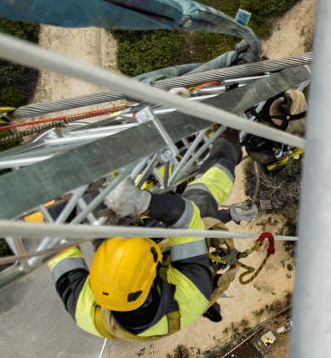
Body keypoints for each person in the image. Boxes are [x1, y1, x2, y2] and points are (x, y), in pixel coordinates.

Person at [47, 132, 255, 340]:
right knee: (201, 201)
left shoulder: (83, 309)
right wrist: (144, 204)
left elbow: (58, 250)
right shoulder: (189, 293)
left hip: (116, 245)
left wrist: (59, 203)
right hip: (174, 261)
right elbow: (188, 219)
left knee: (95, 196)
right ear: (151, 274)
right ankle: (228, 146)